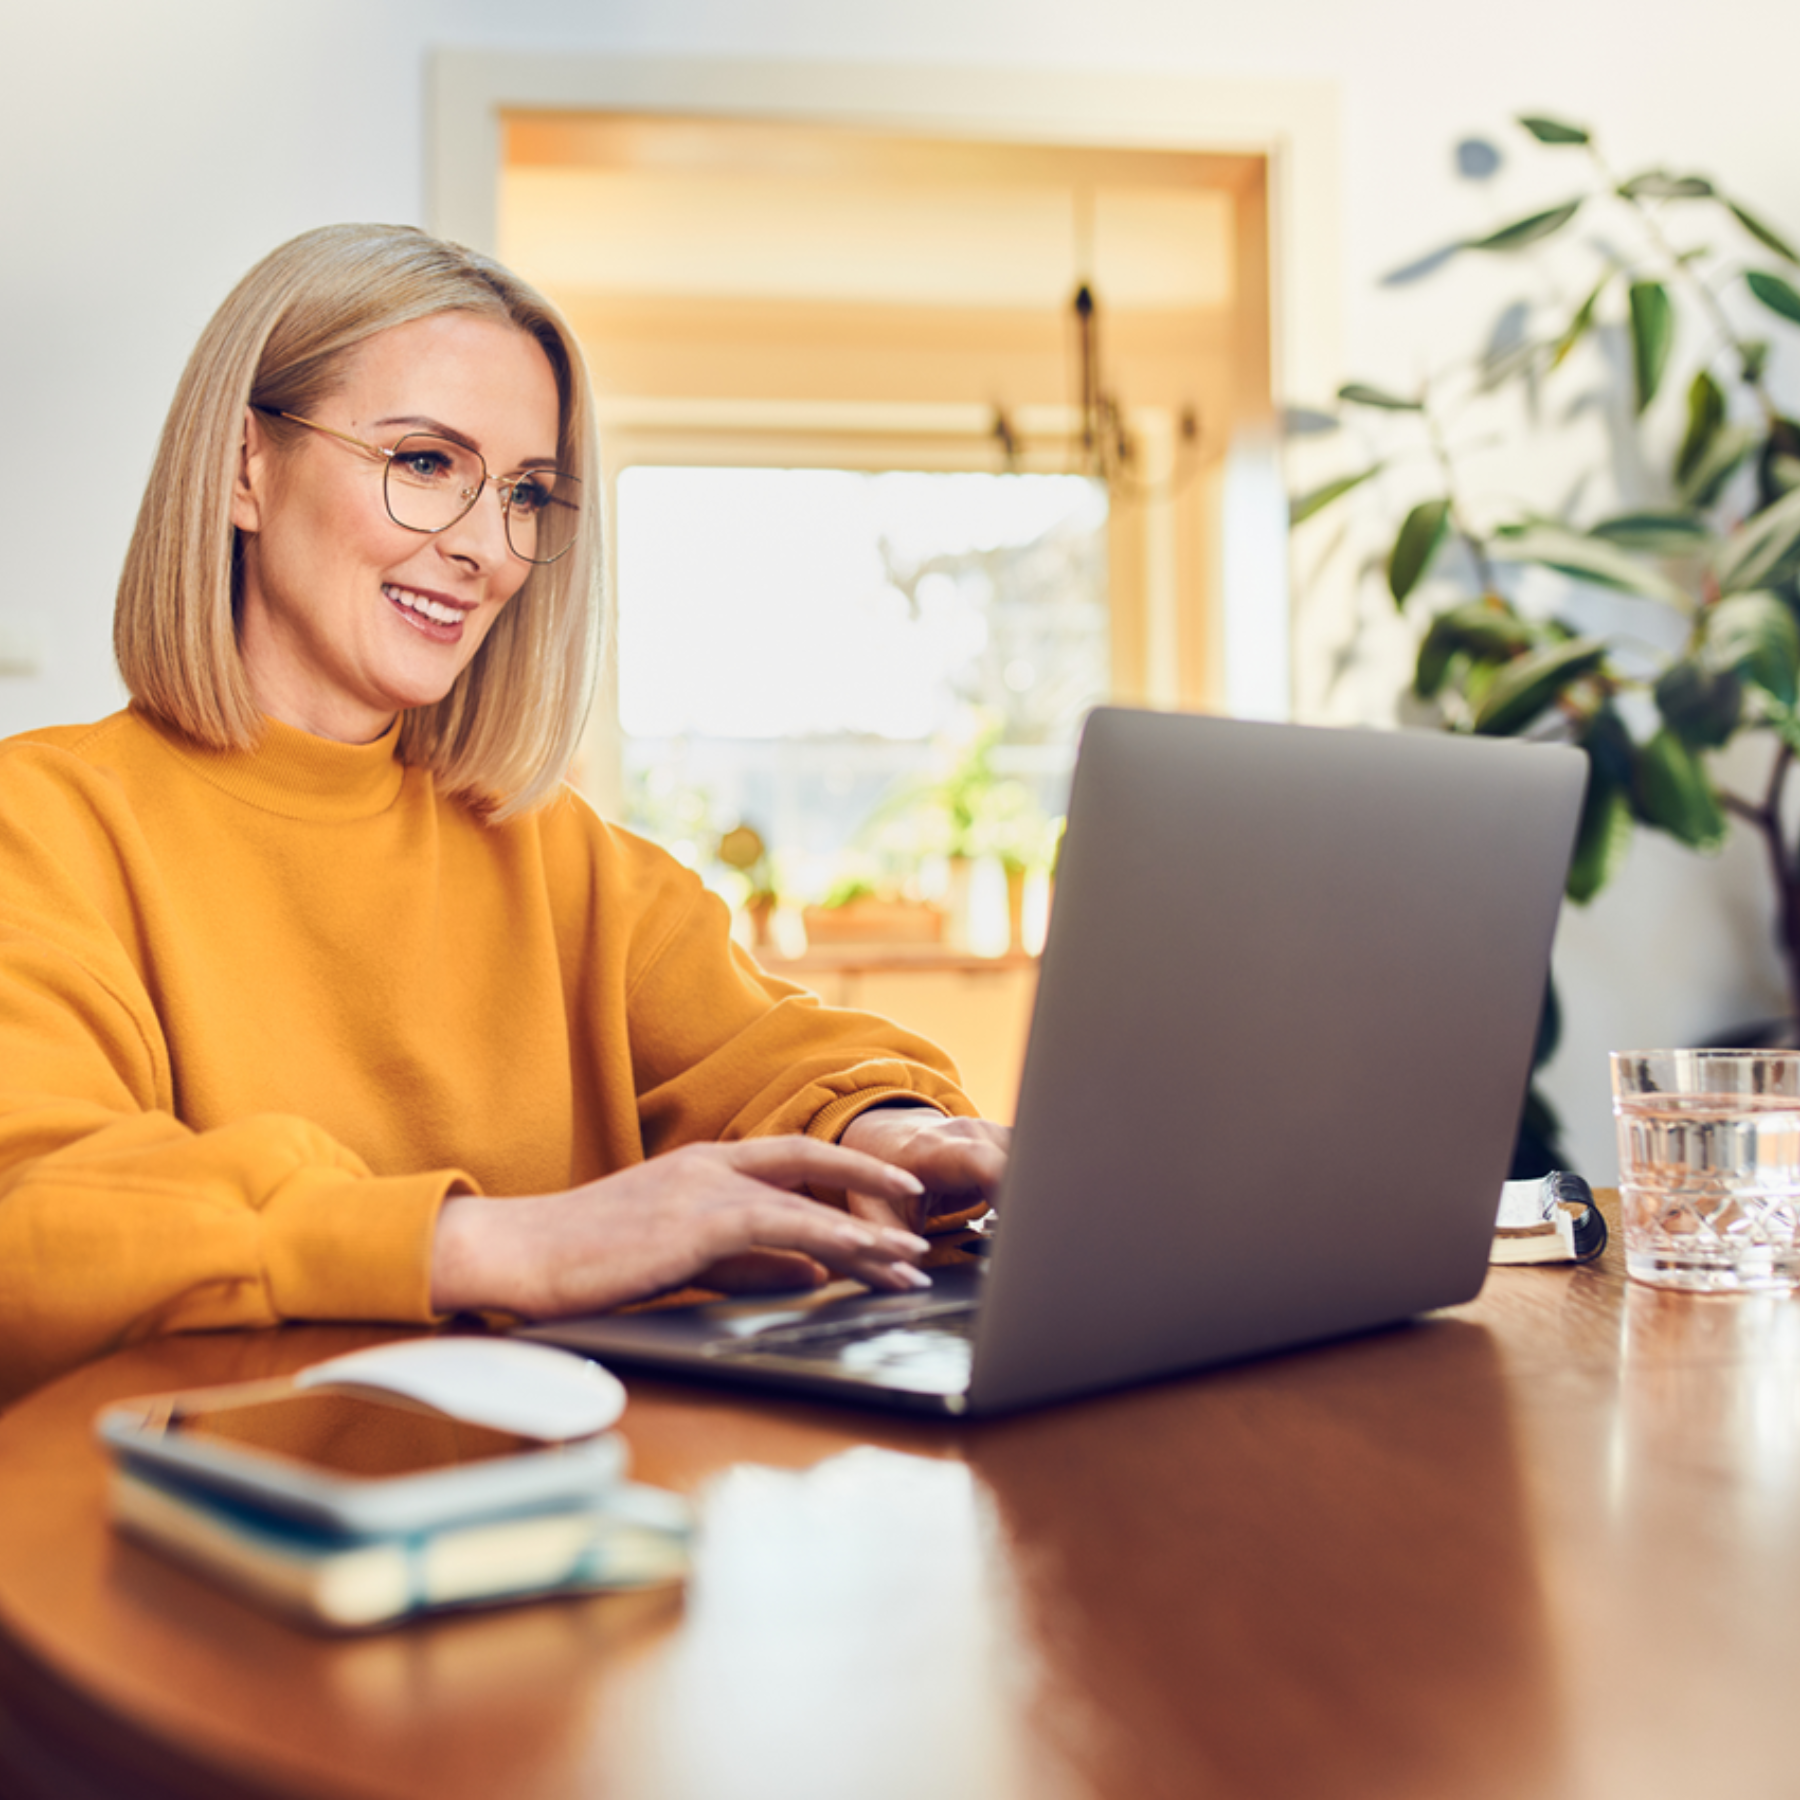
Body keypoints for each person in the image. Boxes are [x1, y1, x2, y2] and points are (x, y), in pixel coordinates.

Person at [0, 223, 1009, 1406]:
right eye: (425, 462)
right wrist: (510, 1246)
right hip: (202, 1529)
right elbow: (41, 1212)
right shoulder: (46, 825)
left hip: (582, 1521)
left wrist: (886, 1130)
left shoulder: (551, 848)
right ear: (242, 469)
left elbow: (773, 1052)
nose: (485, 547)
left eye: (526, 493)